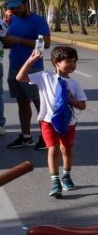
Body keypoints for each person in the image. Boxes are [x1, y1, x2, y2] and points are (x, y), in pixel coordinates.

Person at [15, 45, 87, 199]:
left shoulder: (74, 84)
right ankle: (55, 181)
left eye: (74, 62)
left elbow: (82, 105)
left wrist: (70, 100)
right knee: (52, 149)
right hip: (48, 121)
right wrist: (30, 60)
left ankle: (66, 176)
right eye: (68, 61)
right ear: (56, 62)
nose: (72, 65)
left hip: (68, 122)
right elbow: (20, 77)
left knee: (66, 149)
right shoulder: (44, 76)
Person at [1, 0, 51, 149]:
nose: (15, 10)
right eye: (12, 8)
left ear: (26, 3)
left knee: (39, 102)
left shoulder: (37, 21)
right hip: (15, 66)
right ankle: (26, 136)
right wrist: (8, 42)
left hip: (33, 68)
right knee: (22, 102)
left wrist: (17, 40)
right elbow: (11, 41)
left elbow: (46, 44)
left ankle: (45, 137)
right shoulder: (13, 20)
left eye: (17, 7)